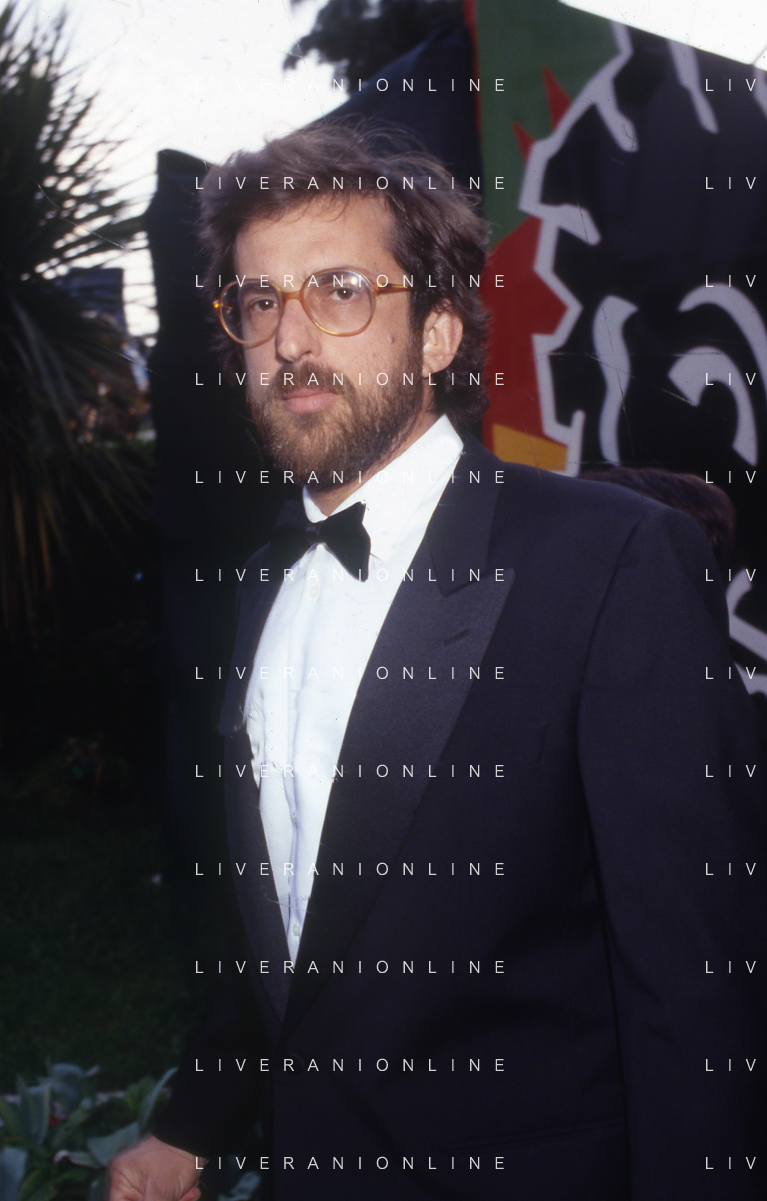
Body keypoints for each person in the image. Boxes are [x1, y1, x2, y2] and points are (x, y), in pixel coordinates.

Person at [109, 123, 766, 1201]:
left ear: (438, 334)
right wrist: (190, 1126)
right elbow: (293, 925)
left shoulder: (611, 561)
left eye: (339, 290)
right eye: (260, 300)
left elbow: (695, 989)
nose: (289, 337)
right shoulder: (258, 585)